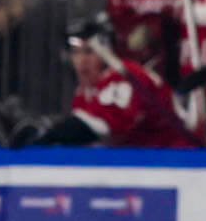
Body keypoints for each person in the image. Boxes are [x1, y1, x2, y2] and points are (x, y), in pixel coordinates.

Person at [22, 14, 196, 148]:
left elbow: (94, 128)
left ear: (106, 52)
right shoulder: (86, 90)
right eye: (75, 52)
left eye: (89, 51)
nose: (81, 61)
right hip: (144, 164)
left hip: (175, 161)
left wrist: (46, 134)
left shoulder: (126, 76)